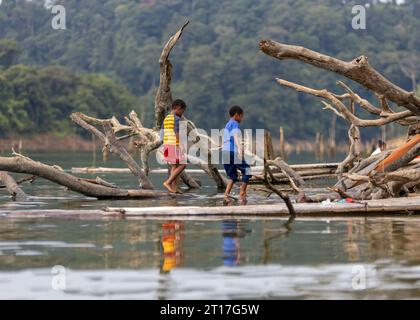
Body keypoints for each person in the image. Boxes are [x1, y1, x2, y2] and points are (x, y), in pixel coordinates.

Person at [222, 105, 252, 200]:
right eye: (241, 116)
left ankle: (226, 194)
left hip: (225, 152)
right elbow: (235, 136)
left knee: (233, 176)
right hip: (232, 151)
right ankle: (242, 193)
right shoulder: (234, 123)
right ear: (236, 115)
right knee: (247, 170)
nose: (242, 118)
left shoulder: (228, 124)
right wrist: (239, 148)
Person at [161, 99, 187, 193]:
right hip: (174, 144)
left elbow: (162, 131)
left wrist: (163, 144)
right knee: (183, 164)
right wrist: (180, 145)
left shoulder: (167, 118)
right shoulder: (176, 119)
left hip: (167, 144)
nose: (182, 114)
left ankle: (174, 188)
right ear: (179, 108)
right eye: (182, 111)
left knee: (174, 166)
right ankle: (168, 182)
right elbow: (176, 133)